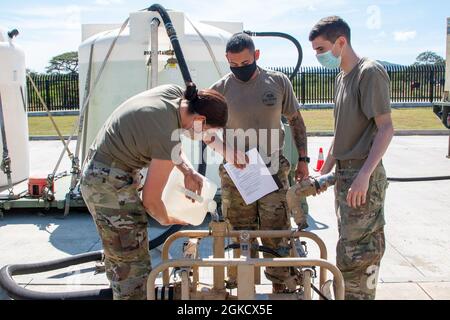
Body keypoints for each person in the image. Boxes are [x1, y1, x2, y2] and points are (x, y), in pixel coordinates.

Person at [80, 84, 228, 300]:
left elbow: (170, 147)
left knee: (121, 259)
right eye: (208, 132)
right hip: (108, 186)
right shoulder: (166, 135)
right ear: (201, 120)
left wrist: (188, 171)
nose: (206, 136)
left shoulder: (175, 94)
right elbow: (151, 201)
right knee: (133, 269)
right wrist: (170, 219)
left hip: (104, 172)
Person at [207, 33, 309, 293]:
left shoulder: (277, 82)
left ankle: (282, 287)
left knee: (276, 231)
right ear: (227, 61)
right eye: (234, 65)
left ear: (257, 56)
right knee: (239, 232)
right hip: (237, 174)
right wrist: (226, 150)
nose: (240, 69)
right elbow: (200, 126)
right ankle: (241, 288)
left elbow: (296, 121)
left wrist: (304, 161)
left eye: (245, 62)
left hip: (273, 170)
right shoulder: (220, 89)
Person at [309, 16, 394, 299]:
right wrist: (324, 172)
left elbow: (386, 128)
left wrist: (364, 176)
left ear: (341, 42)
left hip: (361, 175)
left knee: (361, 254)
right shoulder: (341, 78)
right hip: (346, 175)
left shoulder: (369, 73)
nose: (318, 56)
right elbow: (340, 134)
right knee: (347, 249)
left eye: (321, 49)